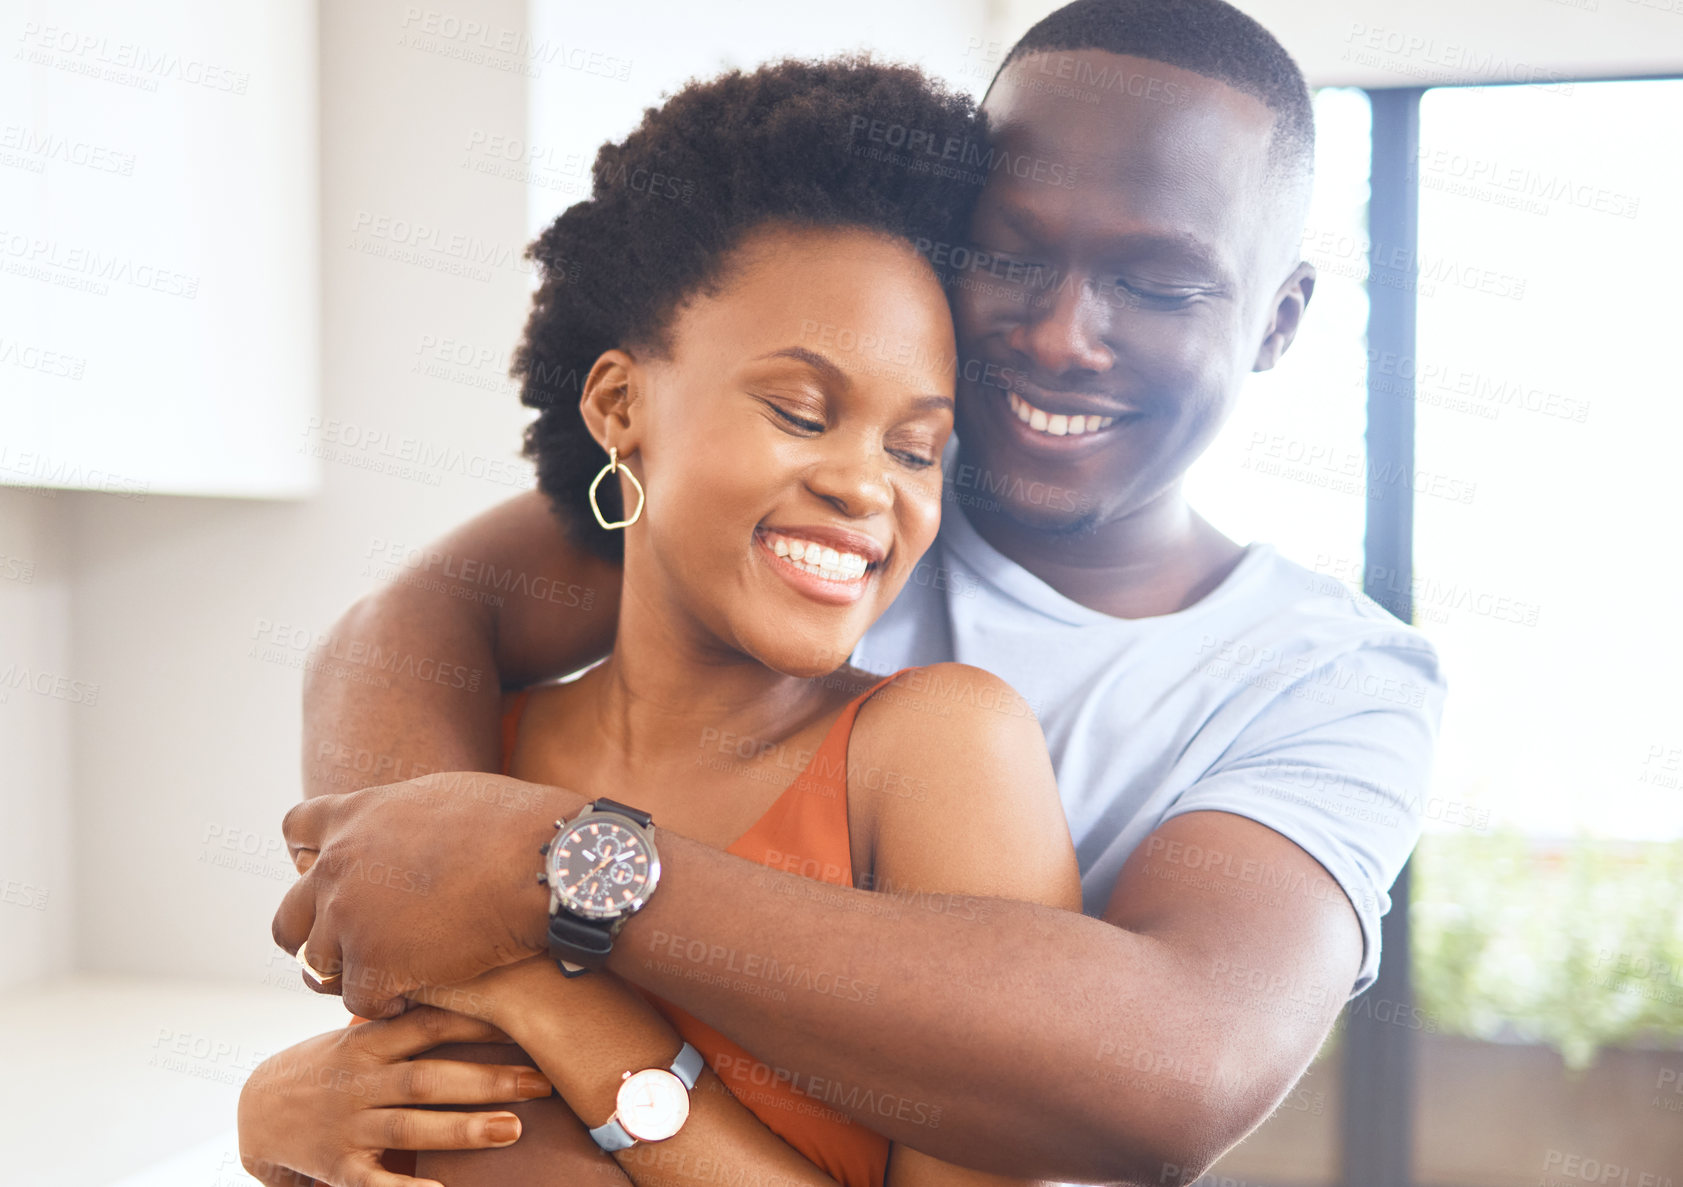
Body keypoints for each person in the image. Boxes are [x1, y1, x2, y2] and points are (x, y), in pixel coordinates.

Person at [271, 0, 1448, 1183]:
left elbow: (1176, 1065)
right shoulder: (799, 509)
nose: (1060, 334)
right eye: (1013, 253)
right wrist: (403, 996)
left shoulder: (1327, 675)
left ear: (1278, 321)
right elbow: (408, 627)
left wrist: (557, 871)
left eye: (1158, 283)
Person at [241, 54, 1085, 1187]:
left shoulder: (936, 750)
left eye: (916, 446)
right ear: (619, 405)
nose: (866, 486)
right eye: (800, 409)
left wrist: (576, 1021)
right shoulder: (458, 768)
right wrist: (280, 1127)